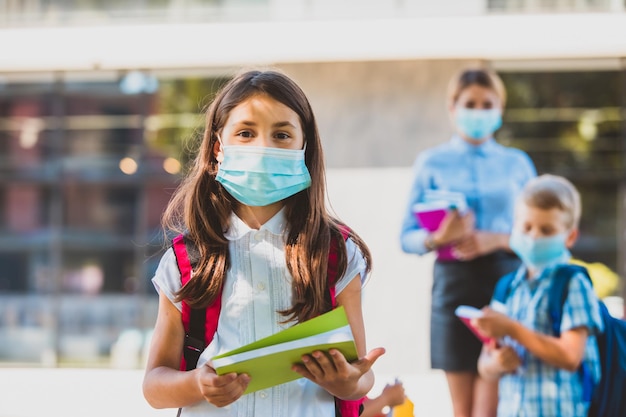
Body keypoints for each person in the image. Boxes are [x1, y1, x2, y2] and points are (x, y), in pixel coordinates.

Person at [142, 69, 385, 416]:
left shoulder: (336, 254)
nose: (262, 148)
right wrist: (198, 383)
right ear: (217, 149)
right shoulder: (187, 260)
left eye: (282, 134)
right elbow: (154, 387)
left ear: (304, 148)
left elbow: (360, 376)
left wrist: (347, 381)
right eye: (245, 133)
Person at [399, 67, 536, 417]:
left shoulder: (518, 163)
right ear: (452, 106)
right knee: (463, 411)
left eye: (486, 104)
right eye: (469, 103)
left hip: (505, 288)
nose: (478, 111)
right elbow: (406, 238)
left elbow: (541, 233)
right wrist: (438, 237)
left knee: (492, 409)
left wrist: (498, 239)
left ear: (500, 109)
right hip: (453, 288)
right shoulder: (431, 162)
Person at [474, 174, 603, 417]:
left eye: (547, 229)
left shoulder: (573, 283)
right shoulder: (507, 287)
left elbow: (570, 356)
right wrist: (497, 364)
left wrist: (512, 329)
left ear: (570, 236)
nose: (534, 236)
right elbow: (484, 365)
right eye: (527, 227)